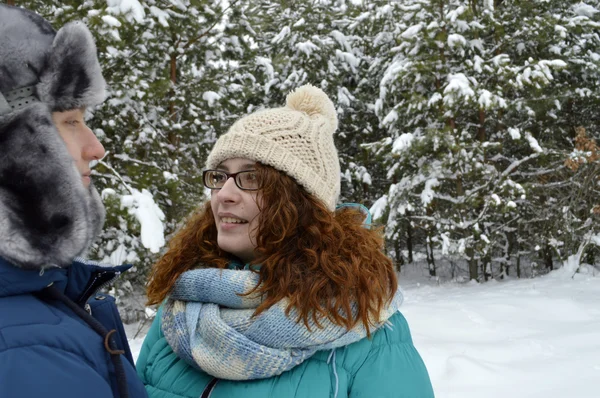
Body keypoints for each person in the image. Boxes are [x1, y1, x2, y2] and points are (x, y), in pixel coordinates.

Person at [137, 84, 435, 397]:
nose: (223, 194)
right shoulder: (183, 308)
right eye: (220, 176)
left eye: (251, 178)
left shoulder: (362, 323)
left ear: (300, 202)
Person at [0, 5, 147, 398]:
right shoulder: (29, 350)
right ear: (13, 145)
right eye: (70, 121)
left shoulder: (39, 306)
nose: (95, 147)